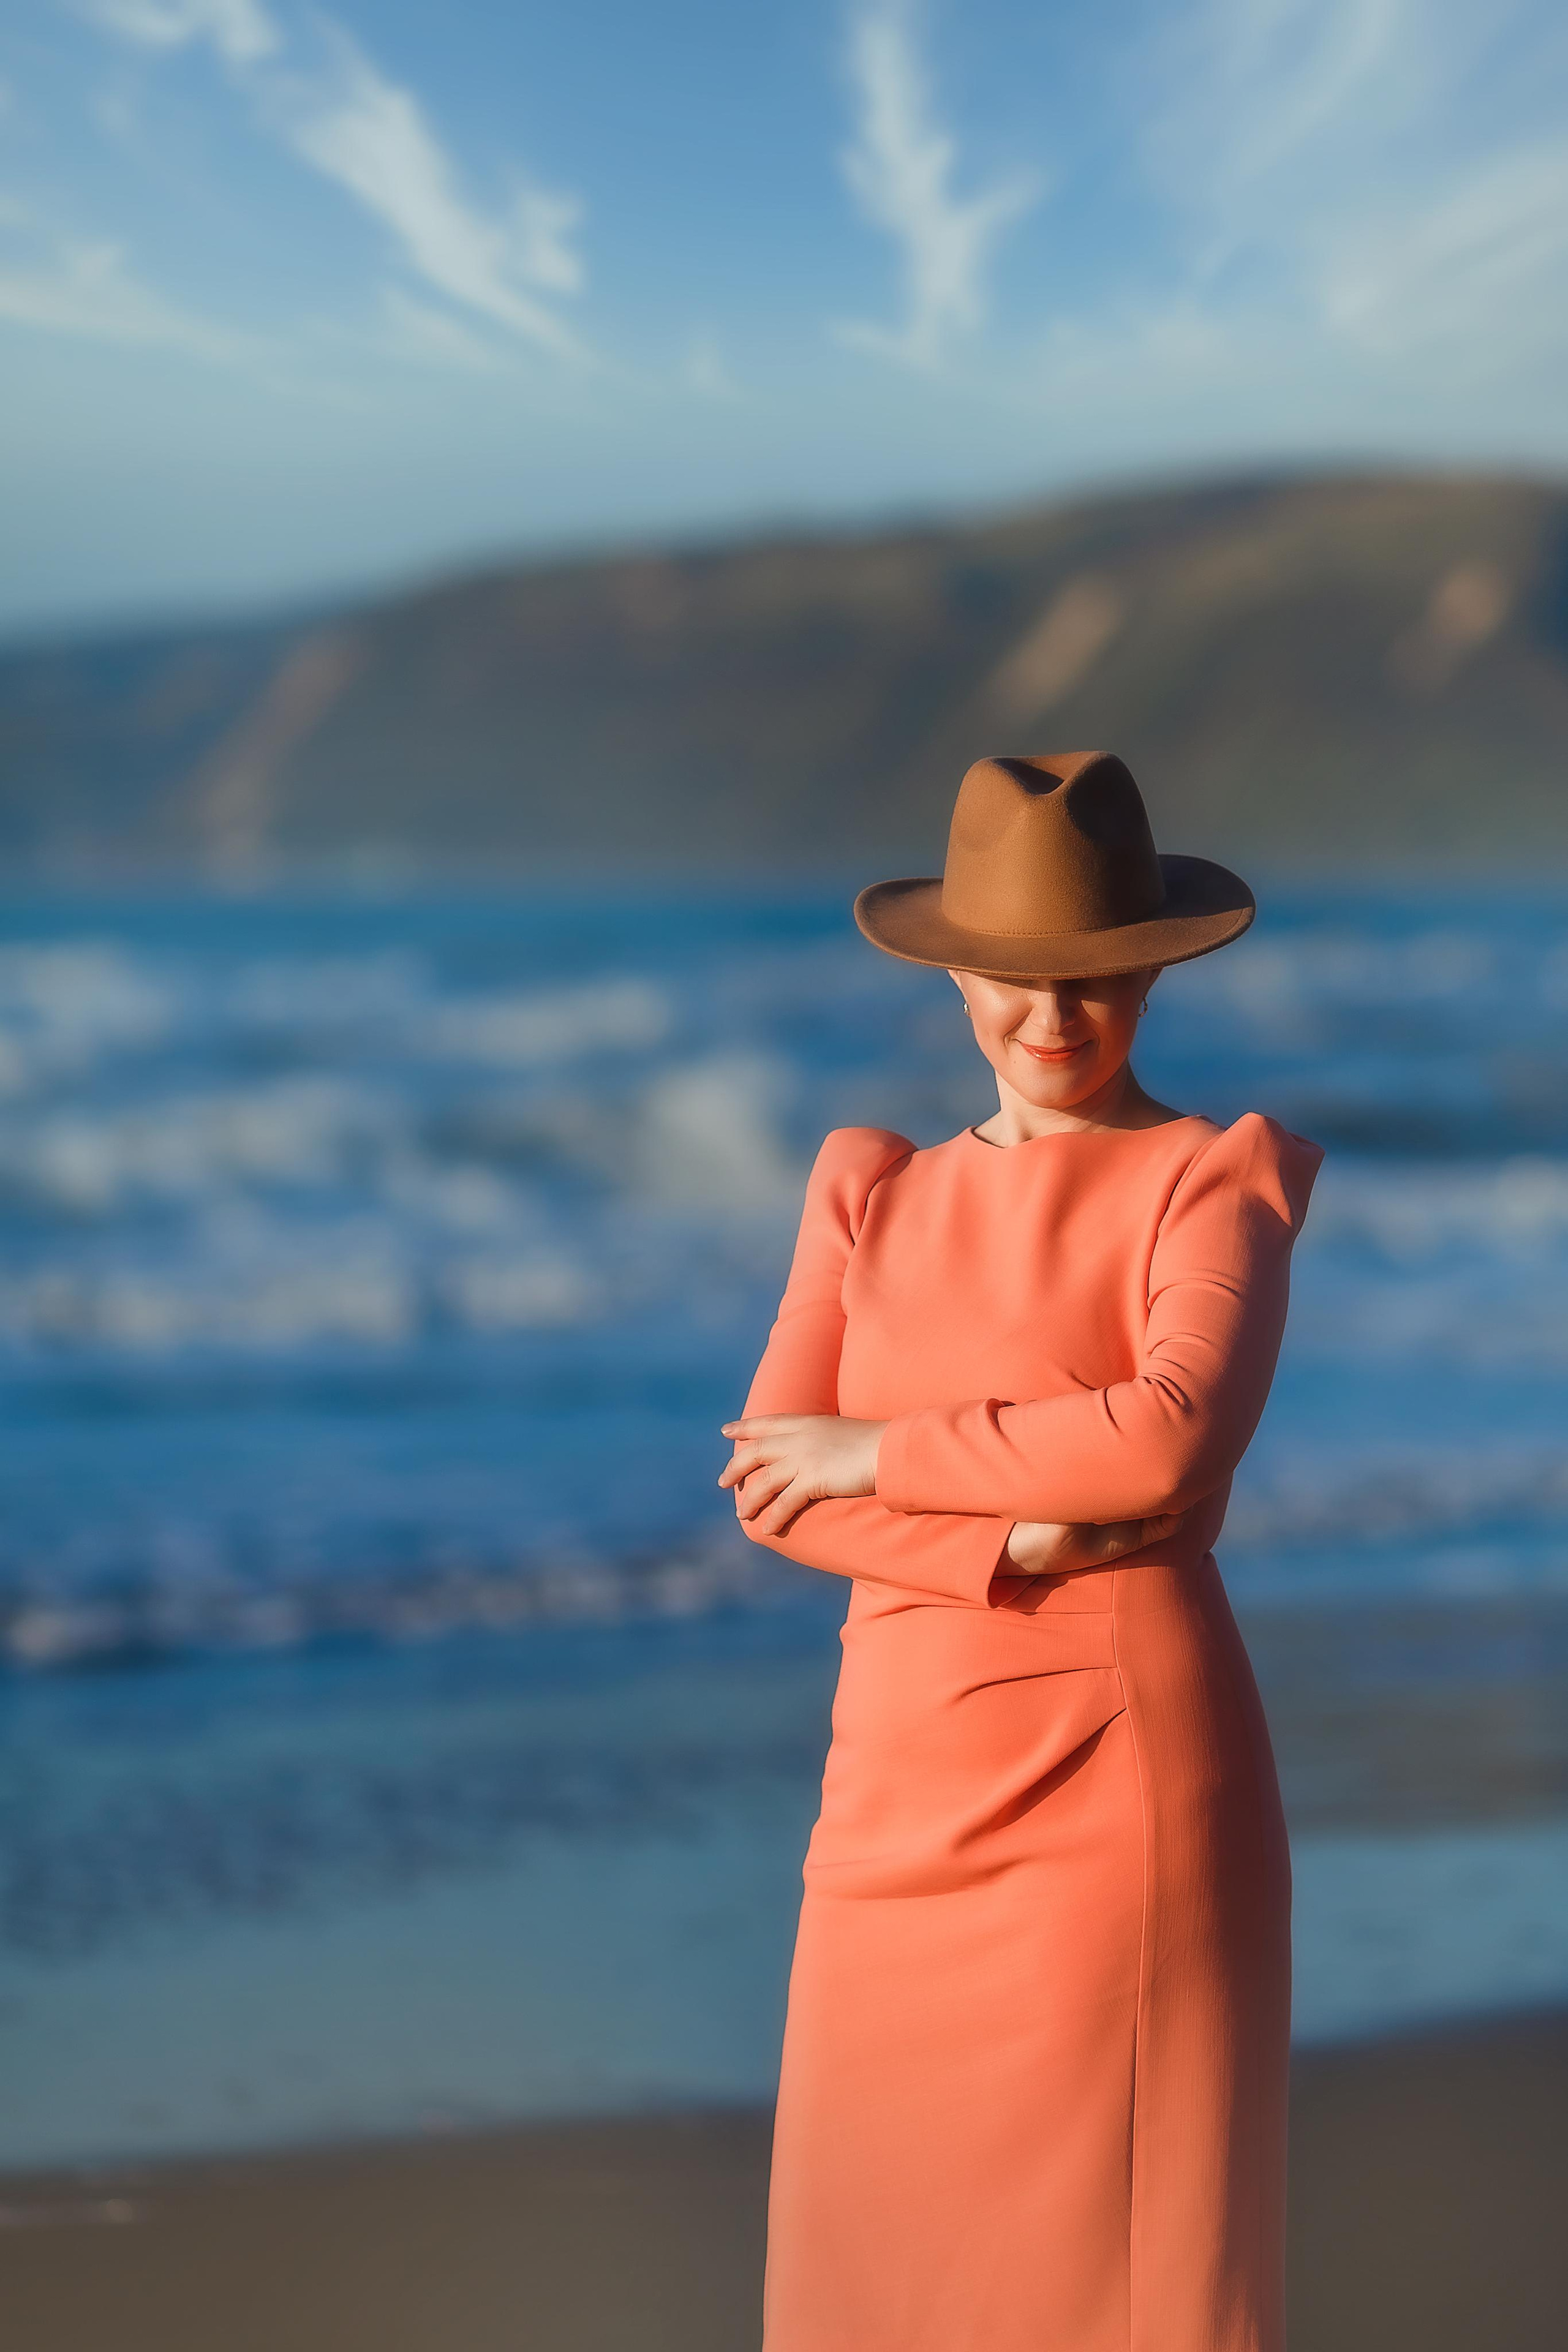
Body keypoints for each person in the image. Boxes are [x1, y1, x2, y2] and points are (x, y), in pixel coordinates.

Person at [718, 750, 1324, 2352]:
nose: (1054, 1022)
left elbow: (1168, 1433)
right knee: (872, 2270)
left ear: (1152, 971)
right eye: (1016, 981)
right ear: (956, 973)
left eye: (1097, 983)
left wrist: (889, 1458)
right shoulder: (868, 1189)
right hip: (892, 1797)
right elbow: (772, 1491)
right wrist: (1013, 1542)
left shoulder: (1213, 1179)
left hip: (1123, 1798)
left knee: (1119, 2280)